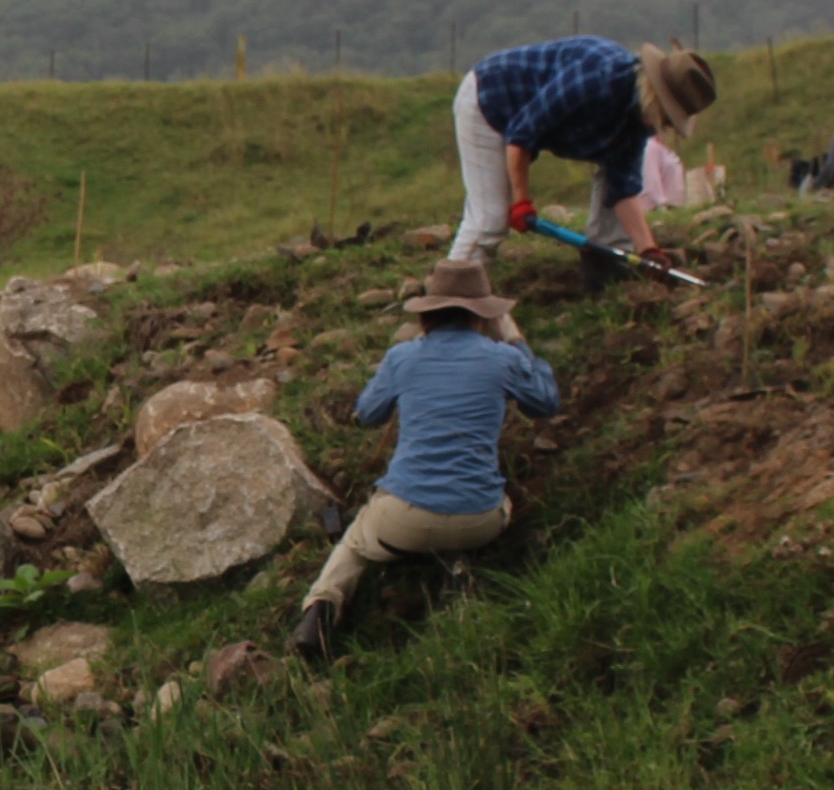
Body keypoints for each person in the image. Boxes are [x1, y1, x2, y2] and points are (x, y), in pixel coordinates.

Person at [289, 259, 558, 662]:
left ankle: (319, 613)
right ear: (484, 316)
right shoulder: (502, 359)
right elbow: (546, 401)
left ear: (427, 315)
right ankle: (456, 566)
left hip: (402, 521)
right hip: (481, 522)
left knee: (356, 542)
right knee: (499, 499)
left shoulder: (403, 358)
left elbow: (367, 413)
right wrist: (516, 340)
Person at [447, 37, 714, 270]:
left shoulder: (637, 124)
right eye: (669, 116)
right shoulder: (599, 78)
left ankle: (605, 269)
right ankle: (447, 301)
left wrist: (648, 249)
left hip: (520, 122)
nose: (666, 126)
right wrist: (521, 201)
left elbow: (622, 189)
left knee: (613, 201)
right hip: (490, 100)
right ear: (656, 98)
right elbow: (522, 132)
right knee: (489, 221)